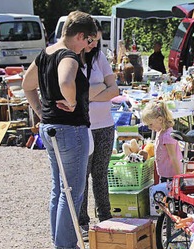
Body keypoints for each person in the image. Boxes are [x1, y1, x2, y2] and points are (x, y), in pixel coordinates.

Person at [21, 10, 98, 249]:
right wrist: (73, 101)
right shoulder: (69, 56)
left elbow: (26, 84)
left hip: (51, 128)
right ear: (80, 36)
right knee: (71, 190)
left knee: (59, 188)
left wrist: (41, 113)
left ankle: (59, 243)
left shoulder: (46, 53)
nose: (90, 46)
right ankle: (66, 248)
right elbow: (66, 80)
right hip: (70, 129)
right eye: (90, 40)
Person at [79, 20, 119, 237]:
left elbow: (114, 89)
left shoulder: (100, 57)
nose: (94, 44)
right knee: (82, 176)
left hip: (105, 125)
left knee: (101, 174)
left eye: (97, 40)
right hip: (84, 127)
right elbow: (74, 93)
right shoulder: (72, 59)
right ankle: (82, 221)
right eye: (91, 39)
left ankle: (105, 216)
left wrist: (87, 95)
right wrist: (98, 89)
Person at [141, 101, 182, 181]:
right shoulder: (160, 132)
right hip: (164, 174)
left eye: (151, 124)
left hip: (171, 175)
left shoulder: (168, 136)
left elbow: (173, 157)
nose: (149, 128)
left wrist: (179, 177)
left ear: (160, 120)